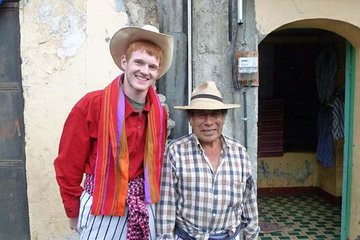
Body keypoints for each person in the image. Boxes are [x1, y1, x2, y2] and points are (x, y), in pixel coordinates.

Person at [54, 24, 173, 239]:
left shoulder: (159, 113)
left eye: (152, 66)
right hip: (102, 206)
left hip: (143, 204)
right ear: (124, 62)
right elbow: (67, 165)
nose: (144, 71)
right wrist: (73, 210)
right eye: (138, 62)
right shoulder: (92, 105)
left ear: (157, 72)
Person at [156, 81, 260, 240]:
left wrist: (252, 236)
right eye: (201, 114)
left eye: (215, 114)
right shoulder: (176, 152)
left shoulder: (240, 153)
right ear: (190, 119)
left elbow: (249, 204)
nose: (209, 122)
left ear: (223, 118)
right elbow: (166, 207)